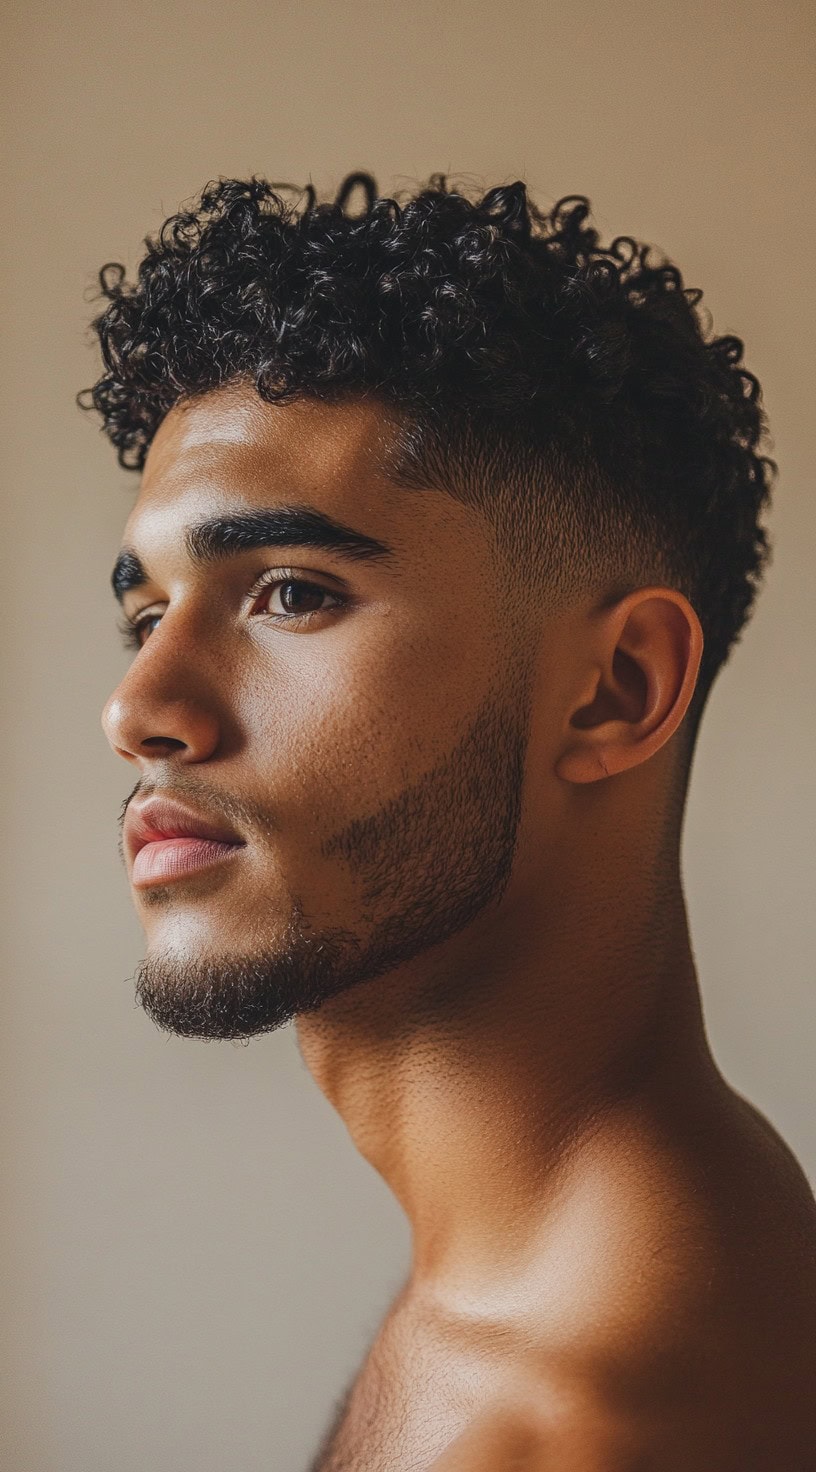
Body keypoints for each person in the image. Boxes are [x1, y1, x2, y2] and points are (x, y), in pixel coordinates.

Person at [84, 171, 816, 1470]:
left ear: (617, 690)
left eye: (293, 594)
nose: (140, 707)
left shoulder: (590, 1422)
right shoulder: (594, 1261)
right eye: (149, 614)